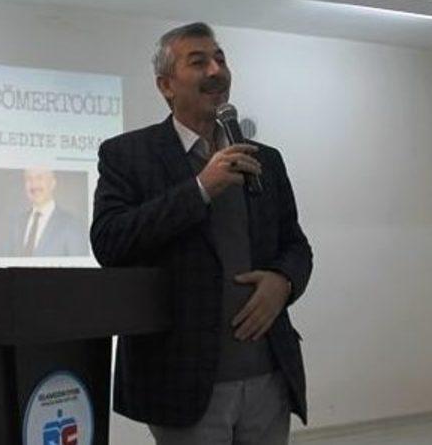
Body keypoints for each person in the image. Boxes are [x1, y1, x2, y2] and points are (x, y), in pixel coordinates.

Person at [91, 22, 312, 444]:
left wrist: (283, 281)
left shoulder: (265, 160)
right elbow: (110, 242)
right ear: (166, 85)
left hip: (268, 375)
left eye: (220, 59)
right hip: (183, 381)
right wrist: (199, 189)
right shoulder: (128, 154)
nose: (216, 70)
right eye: (198, 62)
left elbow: (296, 246)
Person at [19, 167, 88, 257]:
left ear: (52, 184)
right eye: (29, 179)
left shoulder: (73, 224)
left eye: (39, 178)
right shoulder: (18, 223)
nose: (34, 185)